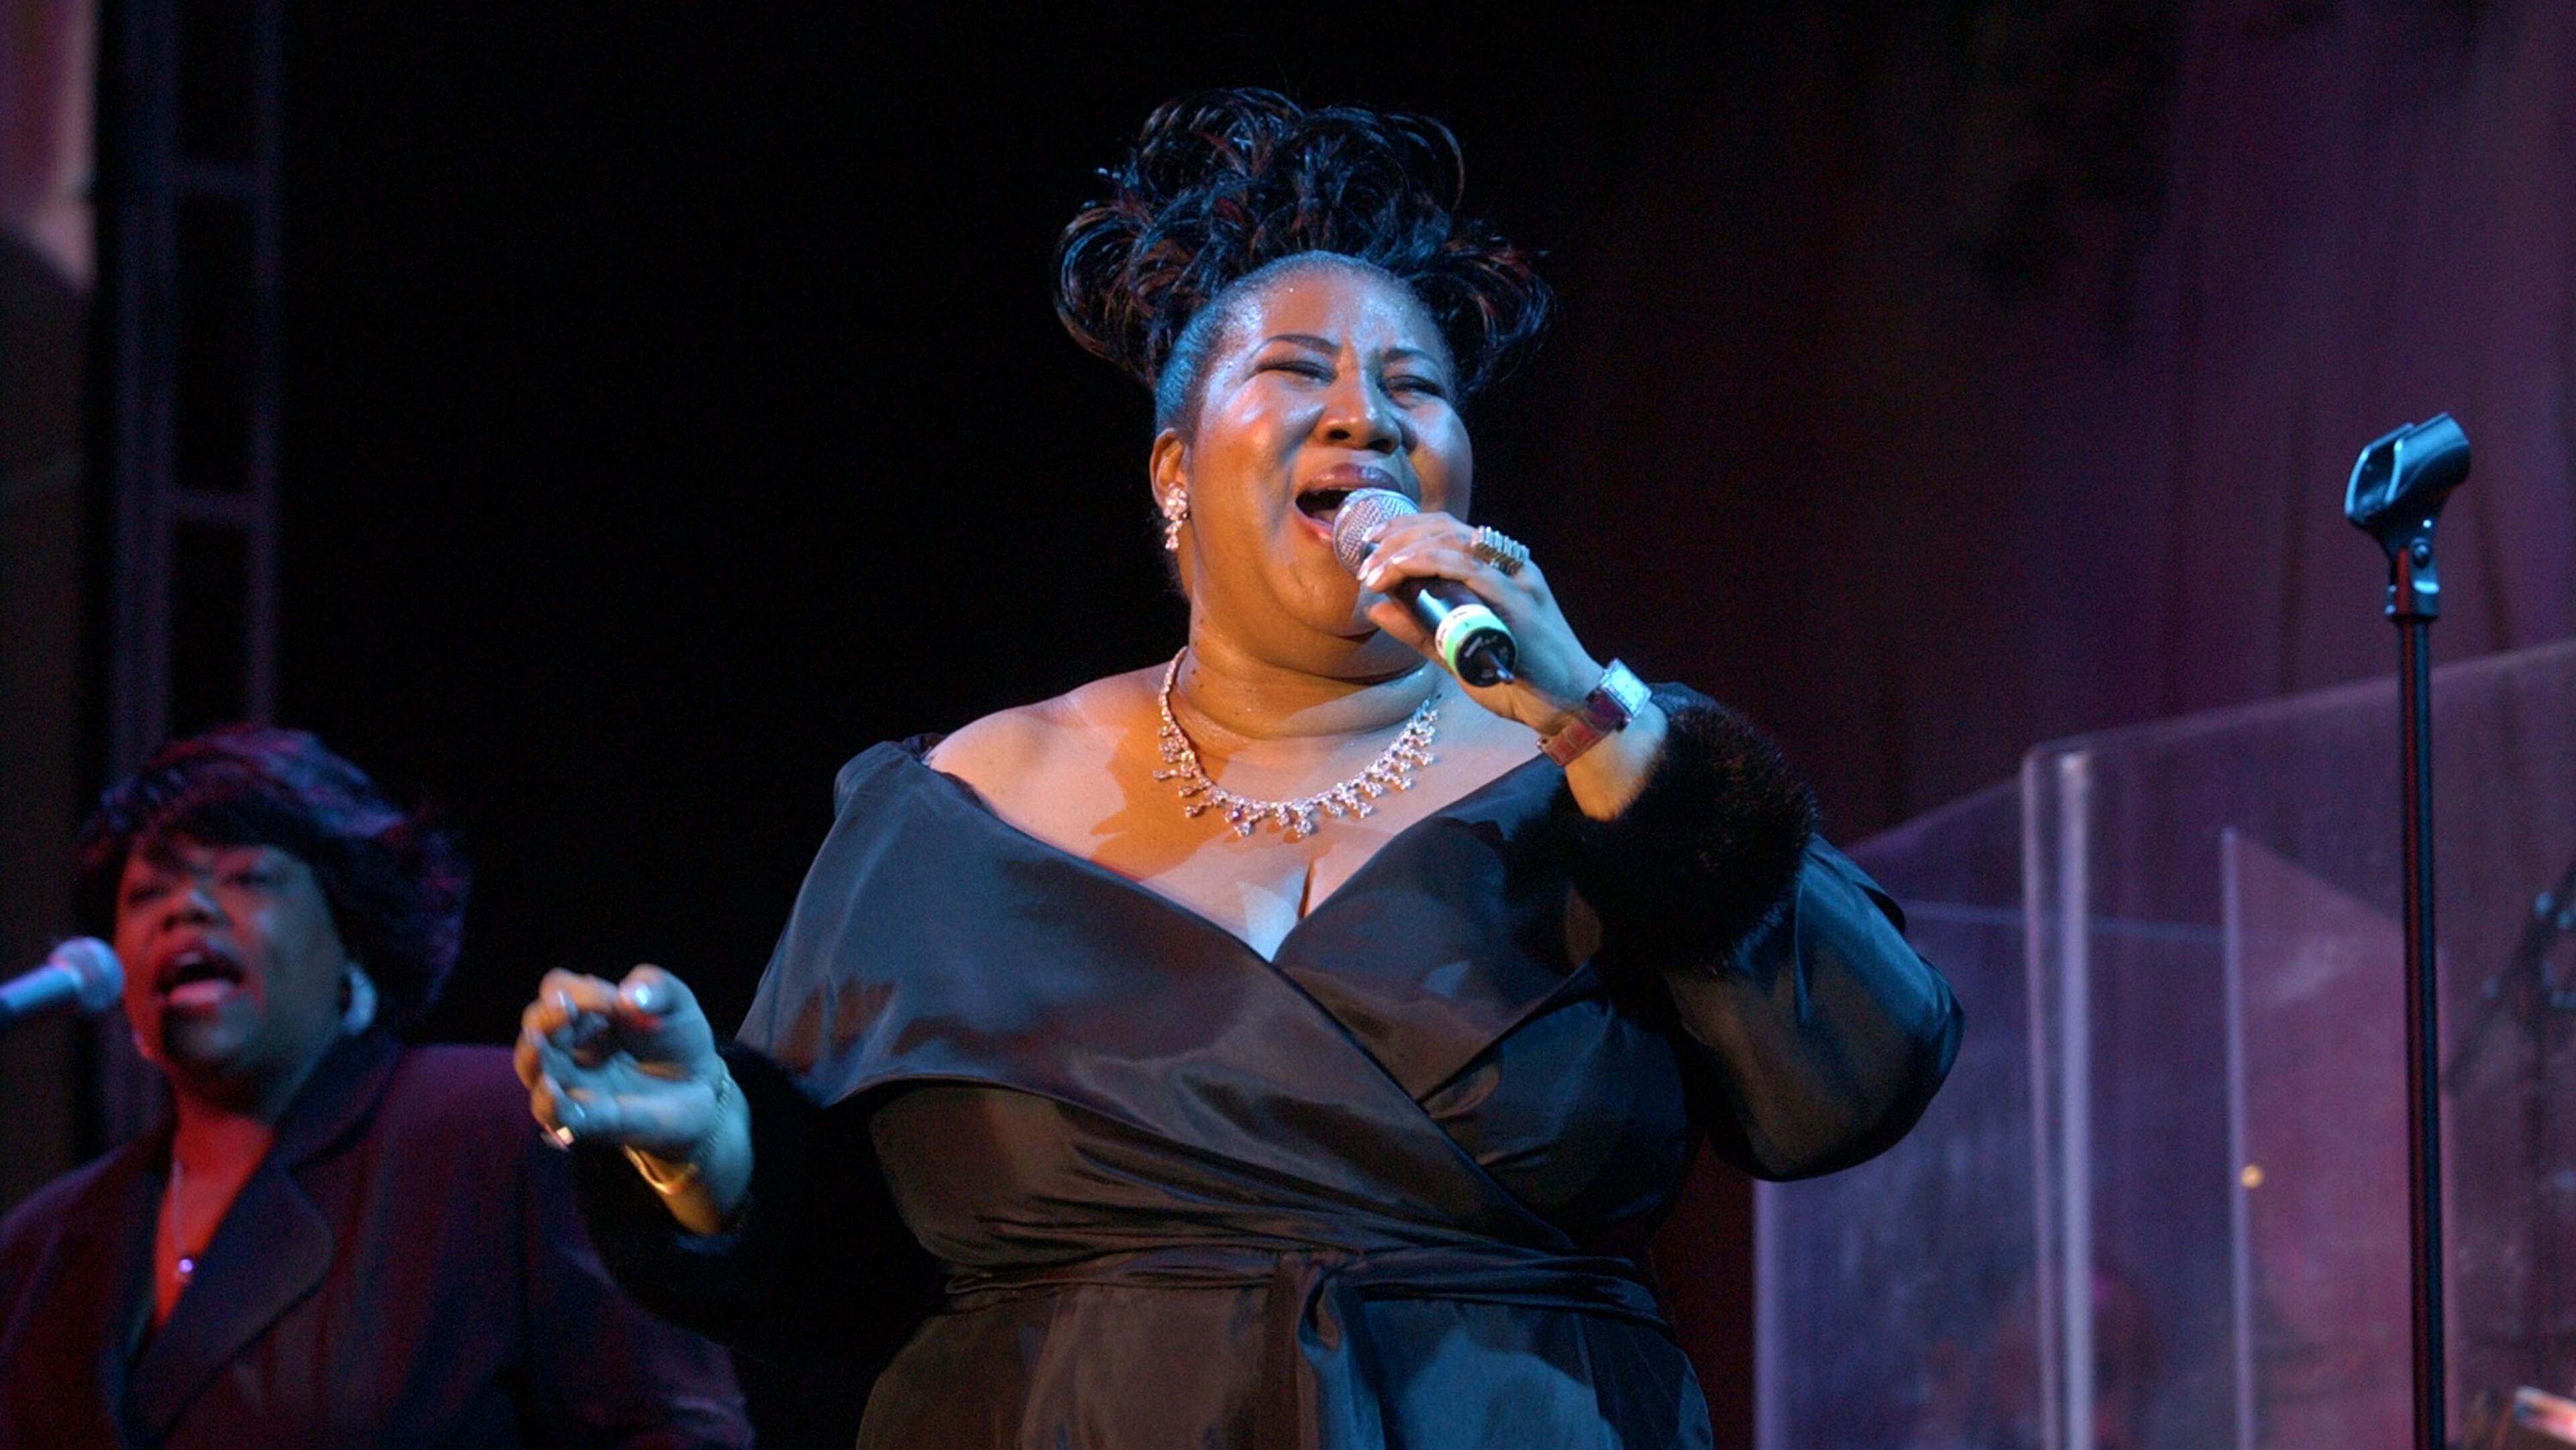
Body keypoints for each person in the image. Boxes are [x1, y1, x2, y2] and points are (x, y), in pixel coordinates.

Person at [519, 89, 1964, 1449]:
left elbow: (1854, 1081)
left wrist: (1591, 718)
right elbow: (849, 1278)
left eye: (1419, 388)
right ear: (1174, 475)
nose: (1370, 416)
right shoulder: (952, 809)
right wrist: (704, 1149)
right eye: (1298, 371)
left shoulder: (1594, 761)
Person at [0, 725, 752, 1449]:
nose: (185, 908)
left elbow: (676, 1429)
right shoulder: (42, 1241)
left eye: (245, 877)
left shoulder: (492, 1127)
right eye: (147, 893)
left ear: (352, 937)